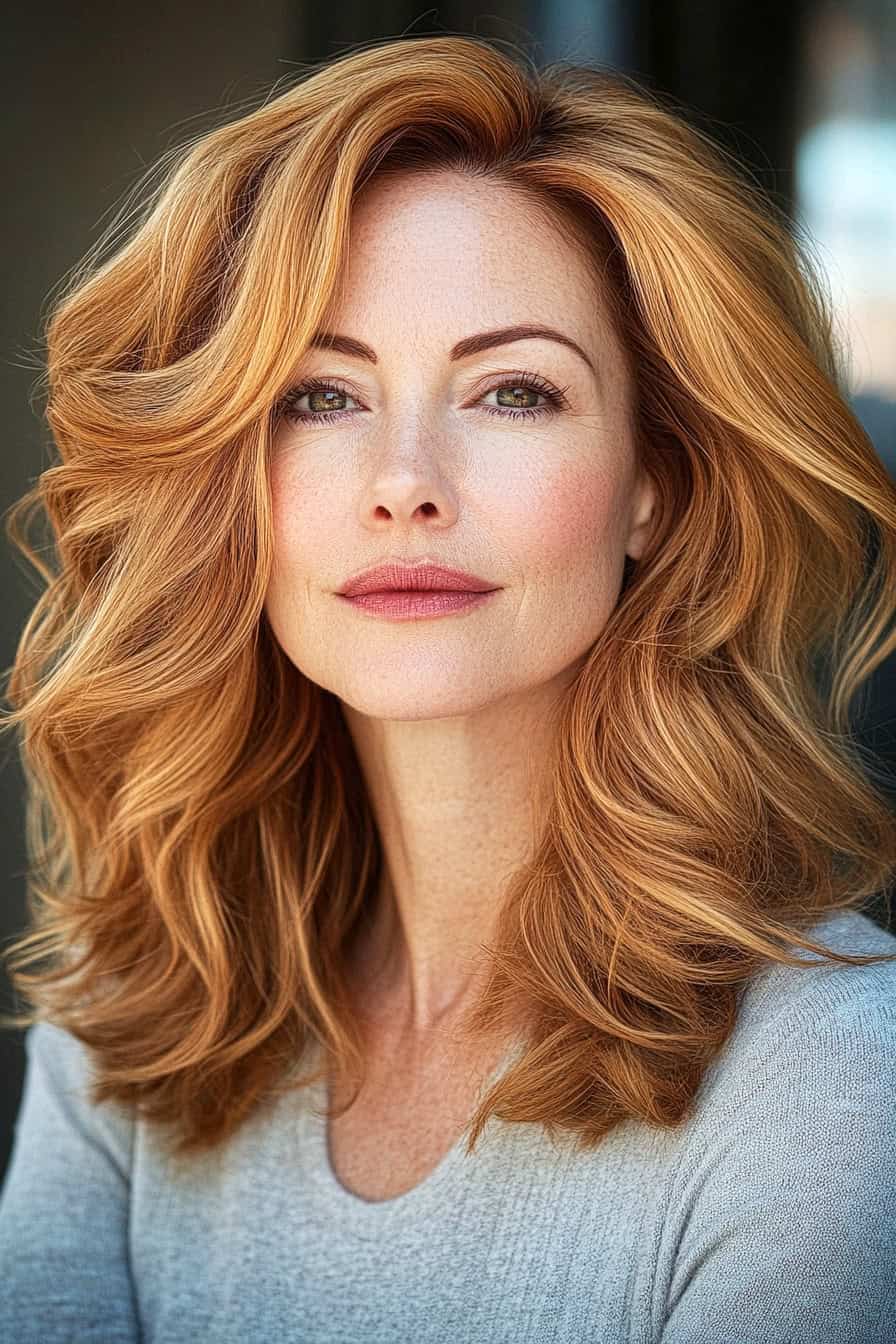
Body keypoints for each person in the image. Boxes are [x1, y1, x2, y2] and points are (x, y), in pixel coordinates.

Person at [1, 33, 896, 1344]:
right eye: (318, 395)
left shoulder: (835, 1080)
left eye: (514, 391)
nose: (404, 477)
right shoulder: (137, 1013)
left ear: (656, 484)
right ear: (226, 477)